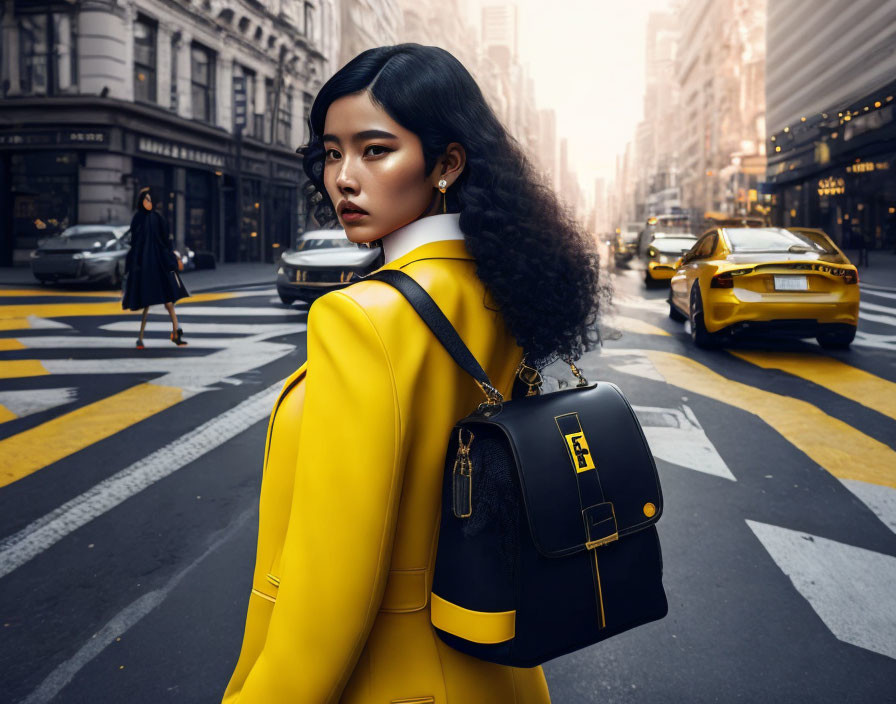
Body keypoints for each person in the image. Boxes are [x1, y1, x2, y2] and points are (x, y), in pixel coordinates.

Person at [222, 44, 604, 704]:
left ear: (446, 163)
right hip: (497, 666)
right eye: (332, 152)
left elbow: (332, 586)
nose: (343, 177)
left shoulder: (363, 317)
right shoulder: (507, 288)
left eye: (374, 150)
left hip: (392, 679)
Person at [121, 186, 189, 347]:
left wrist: (172, 257)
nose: (148, 203)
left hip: (159, 262)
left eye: (150, 200)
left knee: (168, 301)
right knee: (148, 302)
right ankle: (141, 337)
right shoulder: (138, 218)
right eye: (145, 199)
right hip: (146, 264)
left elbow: (166, 241)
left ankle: (175, 332)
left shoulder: (158, 218)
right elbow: (135, 242)